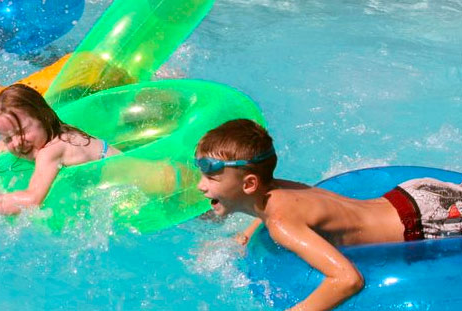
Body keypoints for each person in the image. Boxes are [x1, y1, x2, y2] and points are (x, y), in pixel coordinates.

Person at [194, 118, 462, 311]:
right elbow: (264, 209)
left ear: (249, 184)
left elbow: (348, 279)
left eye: (210, 178)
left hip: (427, 222)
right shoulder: (276, 189)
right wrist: (244, 236)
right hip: (412, 195)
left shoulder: (281, 224)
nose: (200, 186)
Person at [0, 84, 121, 218]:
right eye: (8, 138)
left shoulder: (50, 152)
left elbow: (32, 200)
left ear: (43, 116)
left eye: (21, 132)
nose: (17, 143)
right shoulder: (64, 133)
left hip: (128, 192)